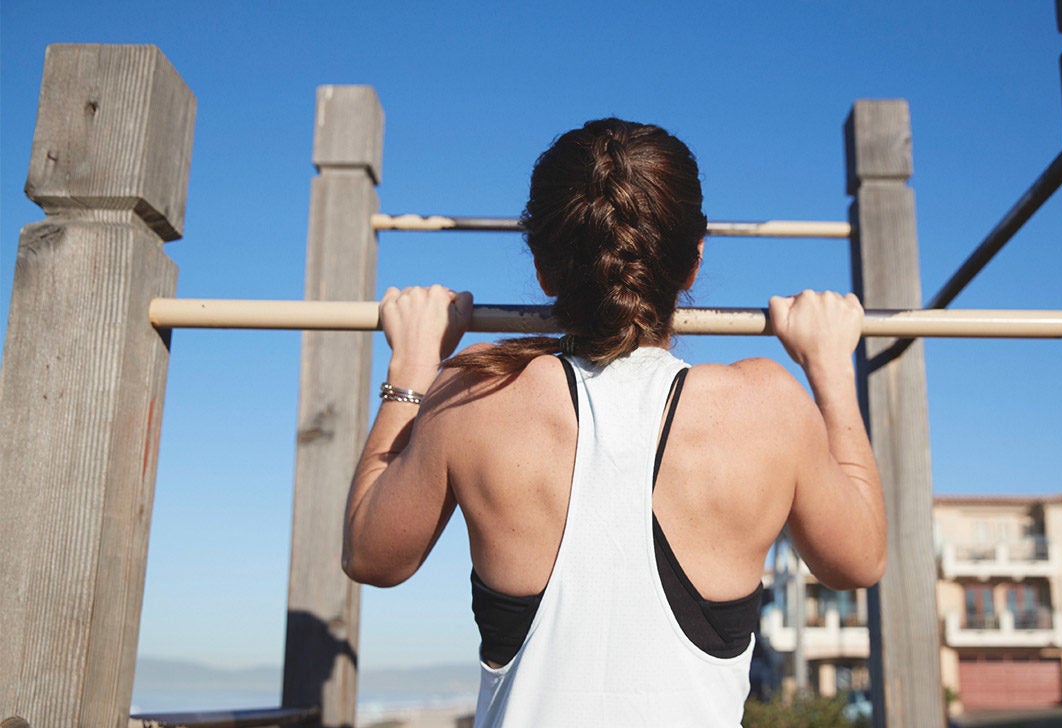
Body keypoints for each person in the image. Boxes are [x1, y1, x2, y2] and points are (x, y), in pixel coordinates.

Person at [342, 118, 885, 727]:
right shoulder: (768, 407)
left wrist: (412, 365)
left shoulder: (475, 389)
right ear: (693, 264)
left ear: (543, 268)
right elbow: (859, 561)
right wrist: (832, 369)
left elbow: (370, 553)